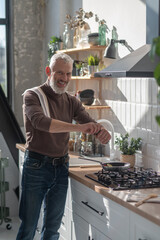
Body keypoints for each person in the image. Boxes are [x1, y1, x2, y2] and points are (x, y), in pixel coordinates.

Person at [16, 52, 111, 240]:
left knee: (53, 229)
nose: (64, 79)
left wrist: (101, 131)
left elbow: (88, 121)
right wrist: (79, 127)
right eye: (60, 73)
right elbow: (41, 122)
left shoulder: (71, 100)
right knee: (29, 226)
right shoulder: (32, 95)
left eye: (68, 74)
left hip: (61, 168)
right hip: (36, 166)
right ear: (48, 71)